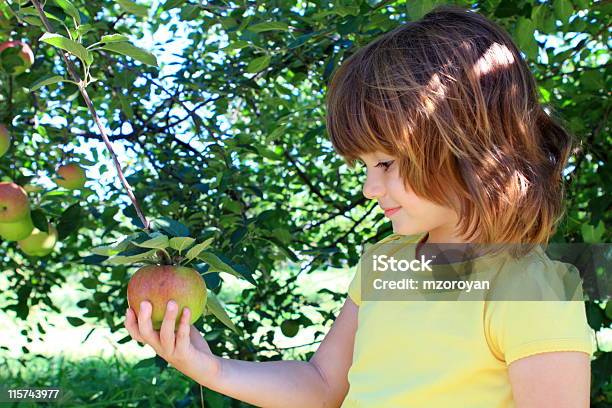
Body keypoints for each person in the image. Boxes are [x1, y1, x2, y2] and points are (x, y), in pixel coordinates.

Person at [124, 5, 595, 407]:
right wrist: (207, 366)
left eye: (386, 162)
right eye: (364, 167)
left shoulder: (529, 289)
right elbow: (323, 383)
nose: (370, 188)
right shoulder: (385, 263)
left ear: (468, 147)